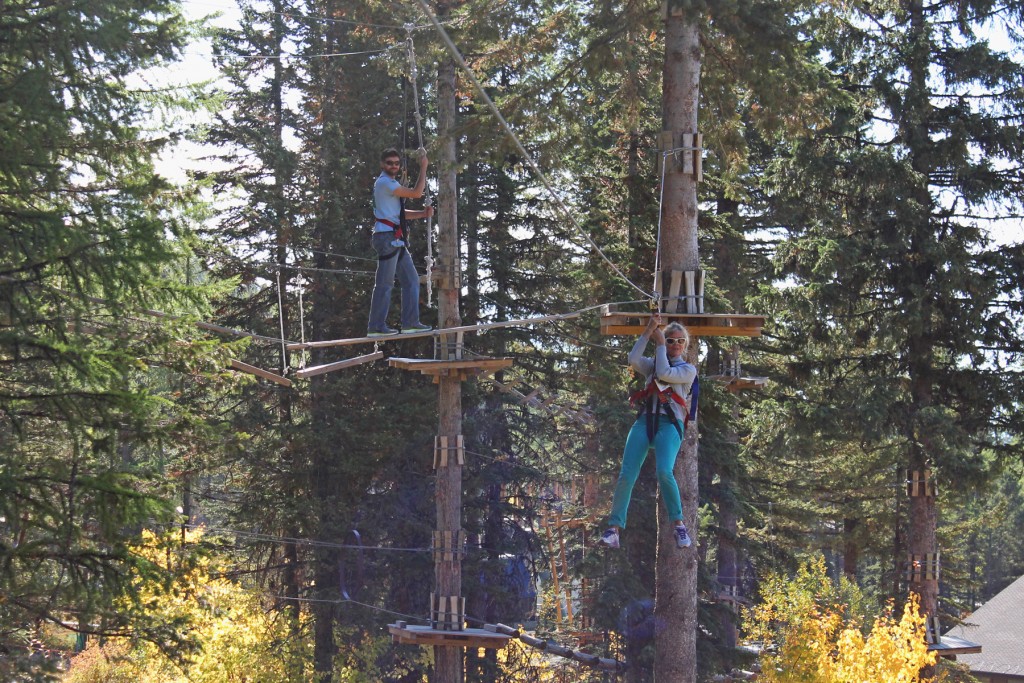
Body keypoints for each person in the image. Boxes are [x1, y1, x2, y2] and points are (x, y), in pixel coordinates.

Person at [599, 313, 697, 549]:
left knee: (665, 471)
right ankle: (613, 528)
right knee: (627, 473)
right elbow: (633, 359)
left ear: (685, 345)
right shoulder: (653, 364)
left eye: (679, 341)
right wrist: (648, 332)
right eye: (670, 340)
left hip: (669, 425)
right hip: (645, 421)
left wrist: (661, 342)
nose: (674, 345)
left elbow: (664, 374)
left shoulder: (687, 370)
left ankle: (679, 525)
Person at [367, 147, 434, 336]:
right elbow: (416, 193)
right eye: (390, 163)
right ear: (382, 164)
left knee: (411, 281)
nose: (394, 166)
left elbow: (398, 214)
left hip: (395, 238)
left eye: (397, 163)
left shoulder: (390, 184)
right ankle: (376, 326)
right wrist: (423, 168)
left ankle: (410, 323)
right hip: (387, 238)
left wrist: (422, 214)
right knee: (385, 284)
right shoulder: (385, 183)